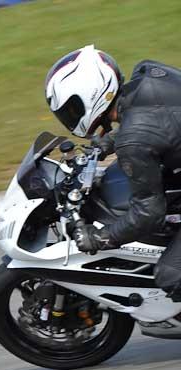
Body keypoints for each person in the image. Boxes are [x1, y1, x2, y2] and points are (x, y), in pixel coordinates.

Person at [45, 45, 181, 300]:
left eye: (71, 110)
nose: (69, 117)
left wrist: (101, 238)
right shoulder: (149, 74)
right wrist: (110, 140)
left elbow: (149, 214)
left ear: (90, 96)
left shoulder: (134, 140)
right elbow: (165, 120)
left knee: (172, 275)